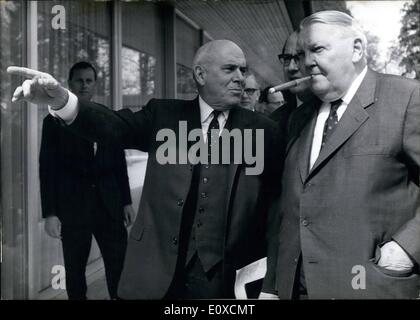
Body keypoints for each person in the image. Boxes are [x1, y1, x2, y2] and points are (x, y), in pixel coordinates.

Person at [9, 40, 280, 299]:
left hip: (227, 279)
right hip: (159, 273)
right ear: (200, 74)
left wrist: (270, 283)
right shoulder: (164, 116)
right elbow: (113, 126)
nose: (240, 78)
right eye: (230, 69)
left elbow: (278, 212)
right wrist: (62, 102)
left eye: (242, 70)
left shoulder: (264, 131)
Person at [262, 10, 420, 299]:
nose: (306, 62)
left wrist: (407, 247)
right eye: (301, 53)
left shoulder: (407, 98)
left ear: (357, 49)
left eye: (317, 49)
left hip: (368, 288)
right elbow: (289, 209)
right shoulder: (298, 118)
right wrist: (272, 286)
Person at [39, 61, 135, 300]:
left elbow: (118, 163)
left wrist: (126, 201)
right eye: (79, 80)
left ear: (95, 85)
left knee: (120, 269)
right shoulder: (52, 122)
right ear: (70, 83)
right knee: (74, 273)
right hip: (73, 209)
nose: (84, 85)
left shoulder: (106, 116)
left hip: (109, 206)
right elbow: (47, 169)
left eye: (89, 80)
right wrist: (50, 213)